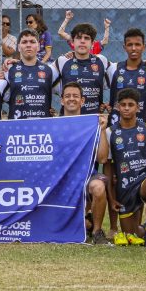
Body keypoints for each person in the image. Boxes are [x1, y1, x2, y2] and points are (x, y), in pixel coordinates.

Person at [56, 82, 112, 244]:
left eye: (75, 96)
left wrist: (102, 130)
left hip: (86, 176)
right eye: (67, 96)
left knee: (98, 187)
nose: (71, 99)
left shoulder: (93, 124)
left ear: (82, 101)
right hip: (60, 178)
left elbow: (102, 159)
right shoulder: (54, 126)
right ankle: (81, 222)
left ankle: (97, 231)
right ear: (61, 101)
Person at [102, 87, 146, 247]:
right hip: (124, 186)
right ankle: (142, 229)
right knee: (132, 234)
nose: (126, 108)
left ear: (138, 107)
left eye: (131, 105)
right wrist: (111, 198)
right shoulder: (110, 132)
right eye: (123, 105)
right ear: (117, 107)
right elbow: (108, 167)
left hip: (144, 179)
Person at [2, 30, 60, 120]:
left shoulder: (49, 70)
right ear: (19, 47)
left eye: (32, 42)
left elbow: (66, 92)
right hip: (17, 125)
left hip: (43, 125)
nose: (28, 45)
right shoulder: (8, 70)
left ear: (38, 46)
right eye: (24, 42)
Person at [57, 22, 110, 115]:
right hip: (68, 119)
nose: (82, 41)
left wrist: (112, 103)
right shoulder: (62, 61)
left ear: (92, 43)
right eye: (78, 38)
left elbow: (120, 78)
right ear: (72, 42)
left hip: (93, 120)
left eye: (86, 38)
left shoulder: (102, 61)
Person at [106, 28, 146, 125]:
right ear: (124, 47)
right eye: (130, 45)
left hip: (141, 125)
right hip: (115, 125)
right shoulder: (113, 68)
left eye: (137, 44)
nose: (133, 48)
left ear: (144, 47)